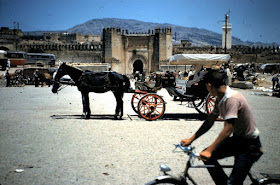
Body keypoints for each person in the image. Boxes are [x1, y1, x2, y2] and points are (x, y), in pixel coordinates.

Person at [181, 69, 263, 185]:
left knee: (233, 182)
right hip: (238, 140)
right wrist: (191, 139)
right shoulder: (220, 98)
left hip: (249, 146)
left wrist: (210, 150)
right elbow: (209, 122)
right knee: (208, 157)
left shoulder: (231, 99)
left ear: (209, 85)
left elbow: (228, 128)